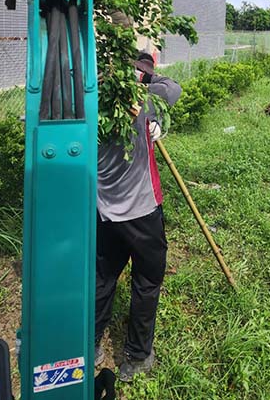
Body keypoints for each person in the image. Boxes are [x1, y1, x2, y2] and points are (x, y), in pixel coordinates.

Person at [94, 52, 181, 381]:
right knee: (146, 281)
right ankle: (137, 356)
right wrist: (144, 84)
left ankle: (90, 345)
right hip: (143, 210)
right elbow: (172, 88)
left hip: (104, 209)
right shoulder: (143, 101)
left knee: (103, 277)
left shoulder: (91, 99)